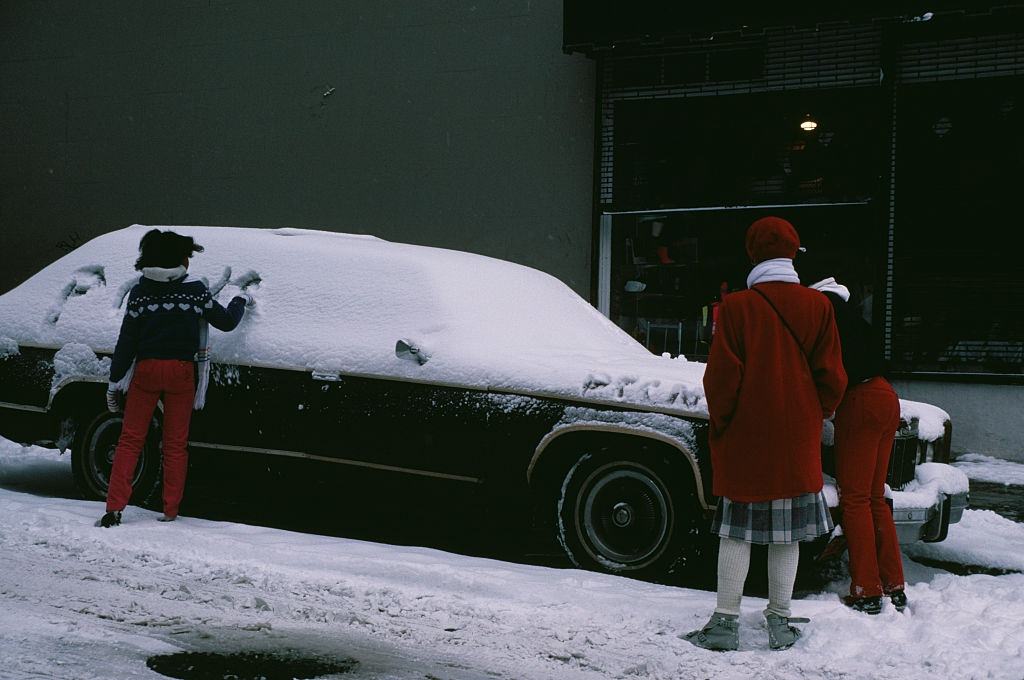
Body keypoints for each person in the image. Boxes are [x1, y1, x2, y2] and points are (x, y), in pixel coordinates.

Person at [684, 216, 847, 651]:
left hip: (746, 438)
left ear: (752, 254)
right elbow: (832, 378)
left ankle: (724, 623)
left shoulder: (736, 307)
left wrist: (725, 424)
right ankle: (779, 620)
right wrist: (815, 414)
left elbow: (720, 381)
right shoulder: (819, 307)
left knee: (736, 531)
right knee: (787, 534)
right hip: (797, 439)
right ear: (795, 253)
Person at [96, 229, 253, 528]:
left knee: (130, 440)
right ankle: (170, 509)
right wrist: (239, 301)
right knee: (175, 444)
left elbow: (126, 341)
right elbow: (227, 323)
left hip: (146, 371)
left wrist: (115, 381)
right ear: (178, 260)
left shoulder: (140, 292)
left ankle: (114, 509)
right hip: (181, 373)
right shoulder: (194, 291)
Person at [806, 274, 907, 615]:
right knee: (875, 495)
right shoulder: (853, 320)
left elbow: (827, 373)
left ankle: (866, 589)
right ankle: (893, 583)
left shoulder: (826, 318)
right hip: (886, 395)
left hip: (860, 402)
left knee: (855, 499)